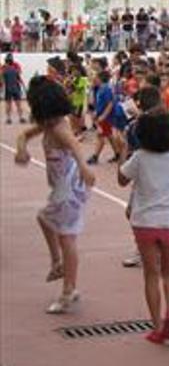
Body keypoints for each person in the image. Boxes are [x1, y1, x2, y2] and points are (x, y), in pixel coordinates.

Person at [15, 76, 95, 314]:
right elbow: (23, 135)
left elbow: (75, 145)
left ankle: (68, 290)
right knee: (44, 219)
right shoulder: (48, 124)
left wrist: (84, 167)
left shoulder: (59, 127)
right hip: (62, 187)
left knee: (66, 237)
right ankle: (58, 264)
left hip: (69, 188)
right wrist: (21, 151)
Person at [118, 109, 169, 344]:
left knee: (150, 274)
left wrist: (124, 150)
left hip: (144, 223)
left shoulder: (140, 157)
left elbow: (121, 180)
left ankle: (156, 326)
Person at [2, 53, 27, 124]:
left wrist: (2, 88)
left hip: (8, 89)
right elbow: (19, 77)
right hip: (16, 88)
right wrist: (24, 87)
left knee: (9, 104)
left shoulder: (4, 69)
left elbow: (2, 80)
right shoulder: (15, 68)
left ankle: (8, 118)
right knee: (18, 104)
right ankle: (21, 117)